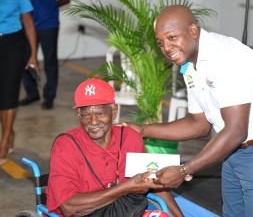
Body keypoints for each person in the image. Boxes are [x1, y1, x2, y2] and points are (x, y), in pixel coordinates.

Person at [121, 5, 253, 217]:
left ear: (193, 31)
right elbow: (198, 124)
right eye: (160, 42)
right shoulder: (190, 64)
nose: (166, 48)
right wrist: (142, 130)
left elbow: (236, 130)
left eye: (172, 37)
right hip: (233, 151)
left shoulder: (226, 56)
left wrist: (184, 170)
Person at [46, 78, 184, 217]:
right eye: (86, 115)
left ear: (114, 111)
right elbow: (69, 208)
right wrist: (124, 188)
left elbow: (153, 181)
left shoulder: (130, 138)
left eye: (100, 113)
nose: (93, 122)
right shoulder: (66, 145)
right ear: (78, 114)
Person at [0, 0, 39, 165]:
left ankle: (4, 141)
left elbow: (28, 22)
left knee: (9, 93)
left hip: (13, 44)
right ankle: (10, 132)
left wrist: (33, 54)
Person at [19, 0, 70, 110]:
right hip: (27, 23)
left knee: (50, 60)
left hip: (49, 24)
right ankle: (32, 94)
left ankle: (49, 96)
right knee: (25, 59)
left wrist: (51, 7)